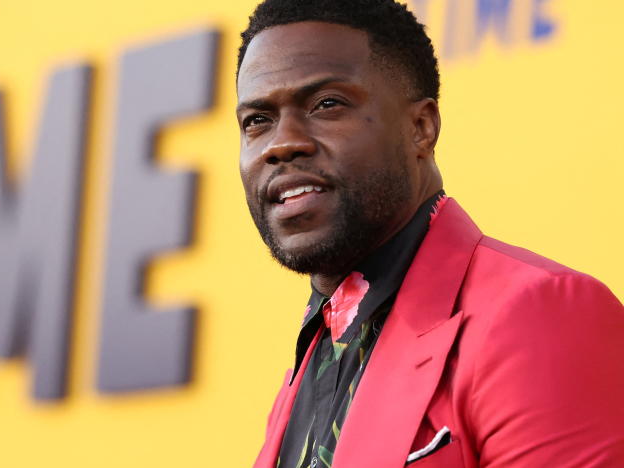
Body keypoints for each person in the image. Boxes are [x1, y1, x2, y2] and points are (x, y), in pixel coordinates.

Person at [235, 1, 624, 467]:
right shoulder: (316, 350)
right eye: (257, 120)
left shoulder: (537, 313)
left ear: (421, 127)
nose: (282, 143)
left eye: (326, 104)